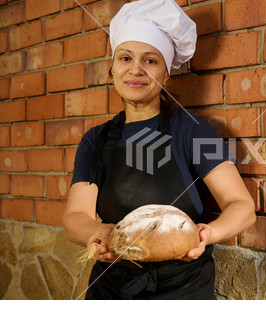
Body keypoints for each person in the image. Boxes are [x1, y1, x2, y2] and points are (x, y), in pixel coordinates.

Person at [63, 0, 255, 300]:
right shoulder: (96, 140)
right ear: (111, 70)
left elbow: (241, 205)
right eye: (125, 58)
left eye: (150, 60)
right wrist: (99, 235)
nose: (135, 70)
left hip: (183, 288)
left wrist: (208, 234)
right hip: (111, 287)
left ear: (166, 75)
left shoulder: (192, 130)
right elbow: (76, 215)